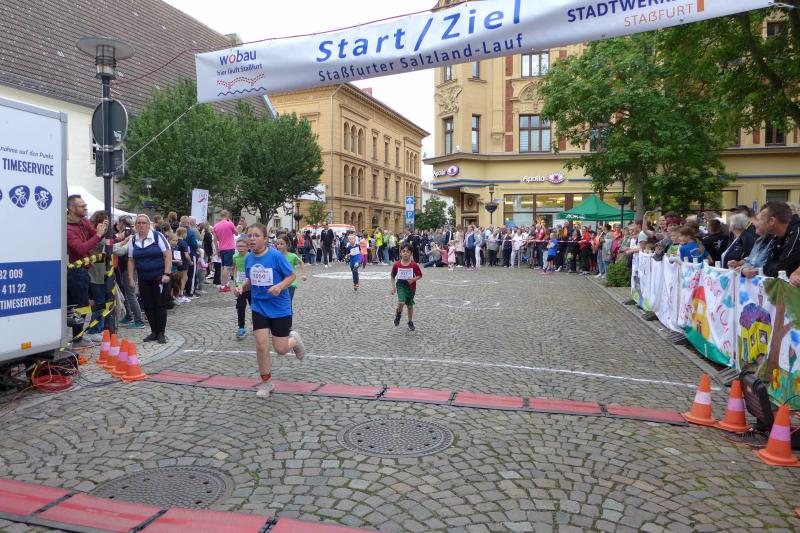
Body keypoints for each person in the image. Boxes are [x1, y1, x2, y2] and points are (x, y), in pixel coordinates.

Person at [232, 223, 305, 398]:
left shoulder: (276, 256)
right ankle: (266, 382)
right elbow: (250, 279)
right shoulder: (248, 258)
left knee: (280, 349)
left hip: (280, 308)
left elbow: (291, 276)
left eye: (256, 235)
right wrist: (242, 287)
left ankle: (294, 340)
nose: (252, 239)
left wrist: (279, 287)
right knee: (261, 345)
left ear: (265, 238)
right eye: (249, 236)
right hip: (259, 306)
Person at [66, 195, 108, 343]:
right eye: (82, 206)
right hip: (74, 271)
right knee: (80, 305)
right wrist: (98, 234)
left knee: (79, 305)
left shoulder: (83, 221)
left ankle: (77, 336)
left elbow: (94, 236)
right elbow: (81, 249)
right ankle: (77, 338)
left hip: (83, 270)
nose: (85, 208)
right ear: (72, 208)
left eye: (85, 205)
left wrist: (102, 230)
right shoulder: (67, 228)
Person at [128, 214, 172, 344]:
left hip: (159, 278)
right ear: (136, 225)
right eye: (139, 223)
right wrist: (131, 278)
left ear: (149, 224)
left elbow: (168, 255)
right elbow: (131, 260)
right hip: (143, 278)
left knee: (159, 305)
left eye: (144, 222)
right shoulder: (133, 240)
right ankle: (153, 332)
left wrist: (167, 274)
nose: (141, 225)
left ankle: (161, 333)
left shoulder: (158, 236)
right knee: (148, 306)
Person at [743, 201, 800, 278]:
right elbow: (768, 264)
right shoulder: (778, 235)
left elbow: (782, 270)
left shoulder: (796, 234)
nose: (755, 223)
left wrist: (768, 268)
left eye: (760, 220)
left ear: (772, 221)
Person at [391, 244, 422, 332]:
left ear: (411, 254)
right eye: (403, 251)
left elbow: (420, 275)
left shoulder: (414, 265)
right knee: (401, 302)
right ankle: (398, 315)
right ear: (400, 253)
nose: (405, 253)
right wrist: (393, 287)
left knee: (409, 306)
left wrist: (413, 279)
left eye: (408, 252)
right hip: (401, 285)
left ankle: (410, 321)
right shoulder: (397, 264)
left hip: (411, 287)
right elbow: (392, 276)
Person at [276, 235, 307, 301]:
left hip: (290, 284)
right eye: (278, 244)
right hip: (279, 283)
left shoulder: (292, 256)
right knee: (280, 303)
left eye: (281, 244)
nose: (279, 246)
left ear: (287, 244)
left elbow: (301, 262)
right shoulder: (275, 256)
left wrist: (303, 274)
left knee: (288, 303)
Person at [213, 210, 237, 292]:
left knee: (224, 267)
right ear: (227, 215)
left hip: (221, 248)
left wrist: (217, 250)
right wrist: (231, 222)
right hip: (229, 248)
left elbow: (215, 240)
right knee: (227, 267)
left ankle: (225, 284)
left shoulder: (216, 226)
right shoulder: (230, 224)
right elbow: (236, 233)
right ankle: (223, 285)